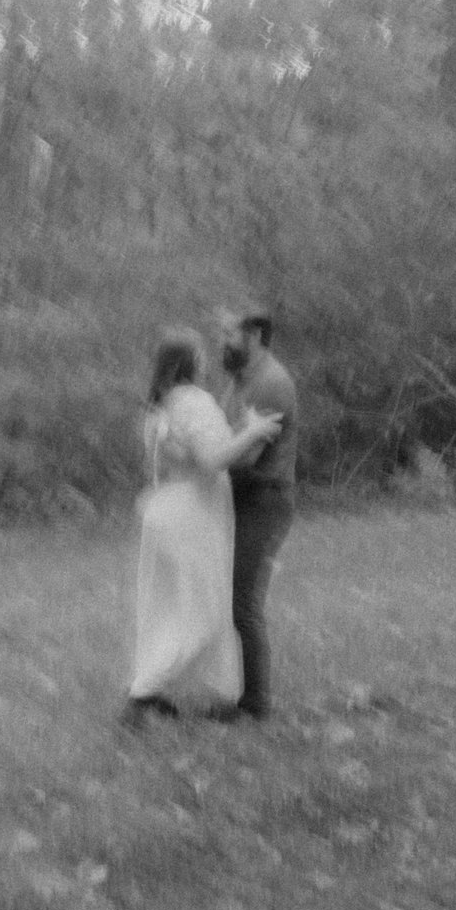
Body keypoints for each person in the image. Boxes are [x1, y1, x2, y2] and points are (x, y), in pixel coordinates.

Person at [124, 329, 282, 728]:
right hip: (192, 515)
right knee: (201, 610)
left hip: (163, 510)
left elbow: (189, 455)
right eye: (200, 356)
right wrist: (254, 432)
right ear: (188, 364)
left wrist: (244, 430)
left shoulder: (157, 408)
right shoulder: (193, 403)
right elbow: (211, 461)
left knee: (164, 608)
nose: (207, 362)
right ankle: (143, 696)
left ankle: (156, 693)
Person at [217, 303, 299, 722]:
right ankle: (236, 691)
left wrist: (203, 466)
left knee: (243, 602)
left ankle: (255, 705)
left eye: (229, 334)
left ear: (253, 337)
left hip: (264, 502)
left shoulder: (271, 384)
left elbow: (246, 457)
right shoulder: (239, 380)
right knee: (228, 600)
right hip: (239, 500)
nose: (222, 342)